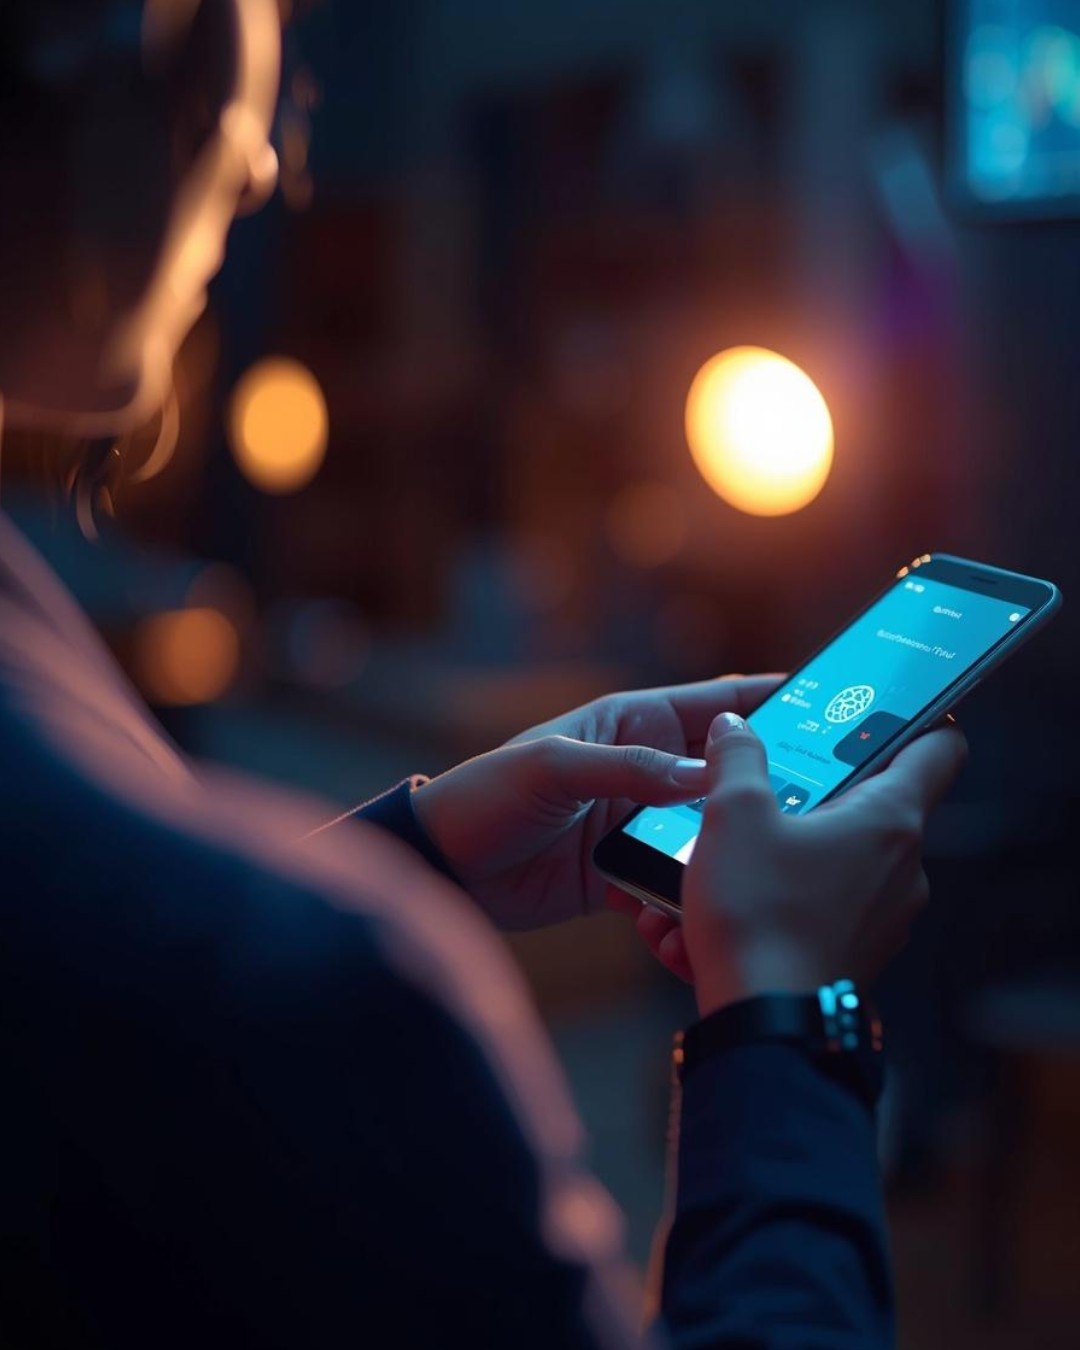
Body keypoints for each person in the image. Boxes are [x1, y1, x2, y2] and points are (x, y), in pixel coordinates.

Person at [0, 2, 967, 1346]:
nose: (270, 163)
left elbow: (85, 1032)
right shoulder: (337, 1001)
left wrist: (409, 857)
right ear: (96, 45)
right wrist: (790, 1024)